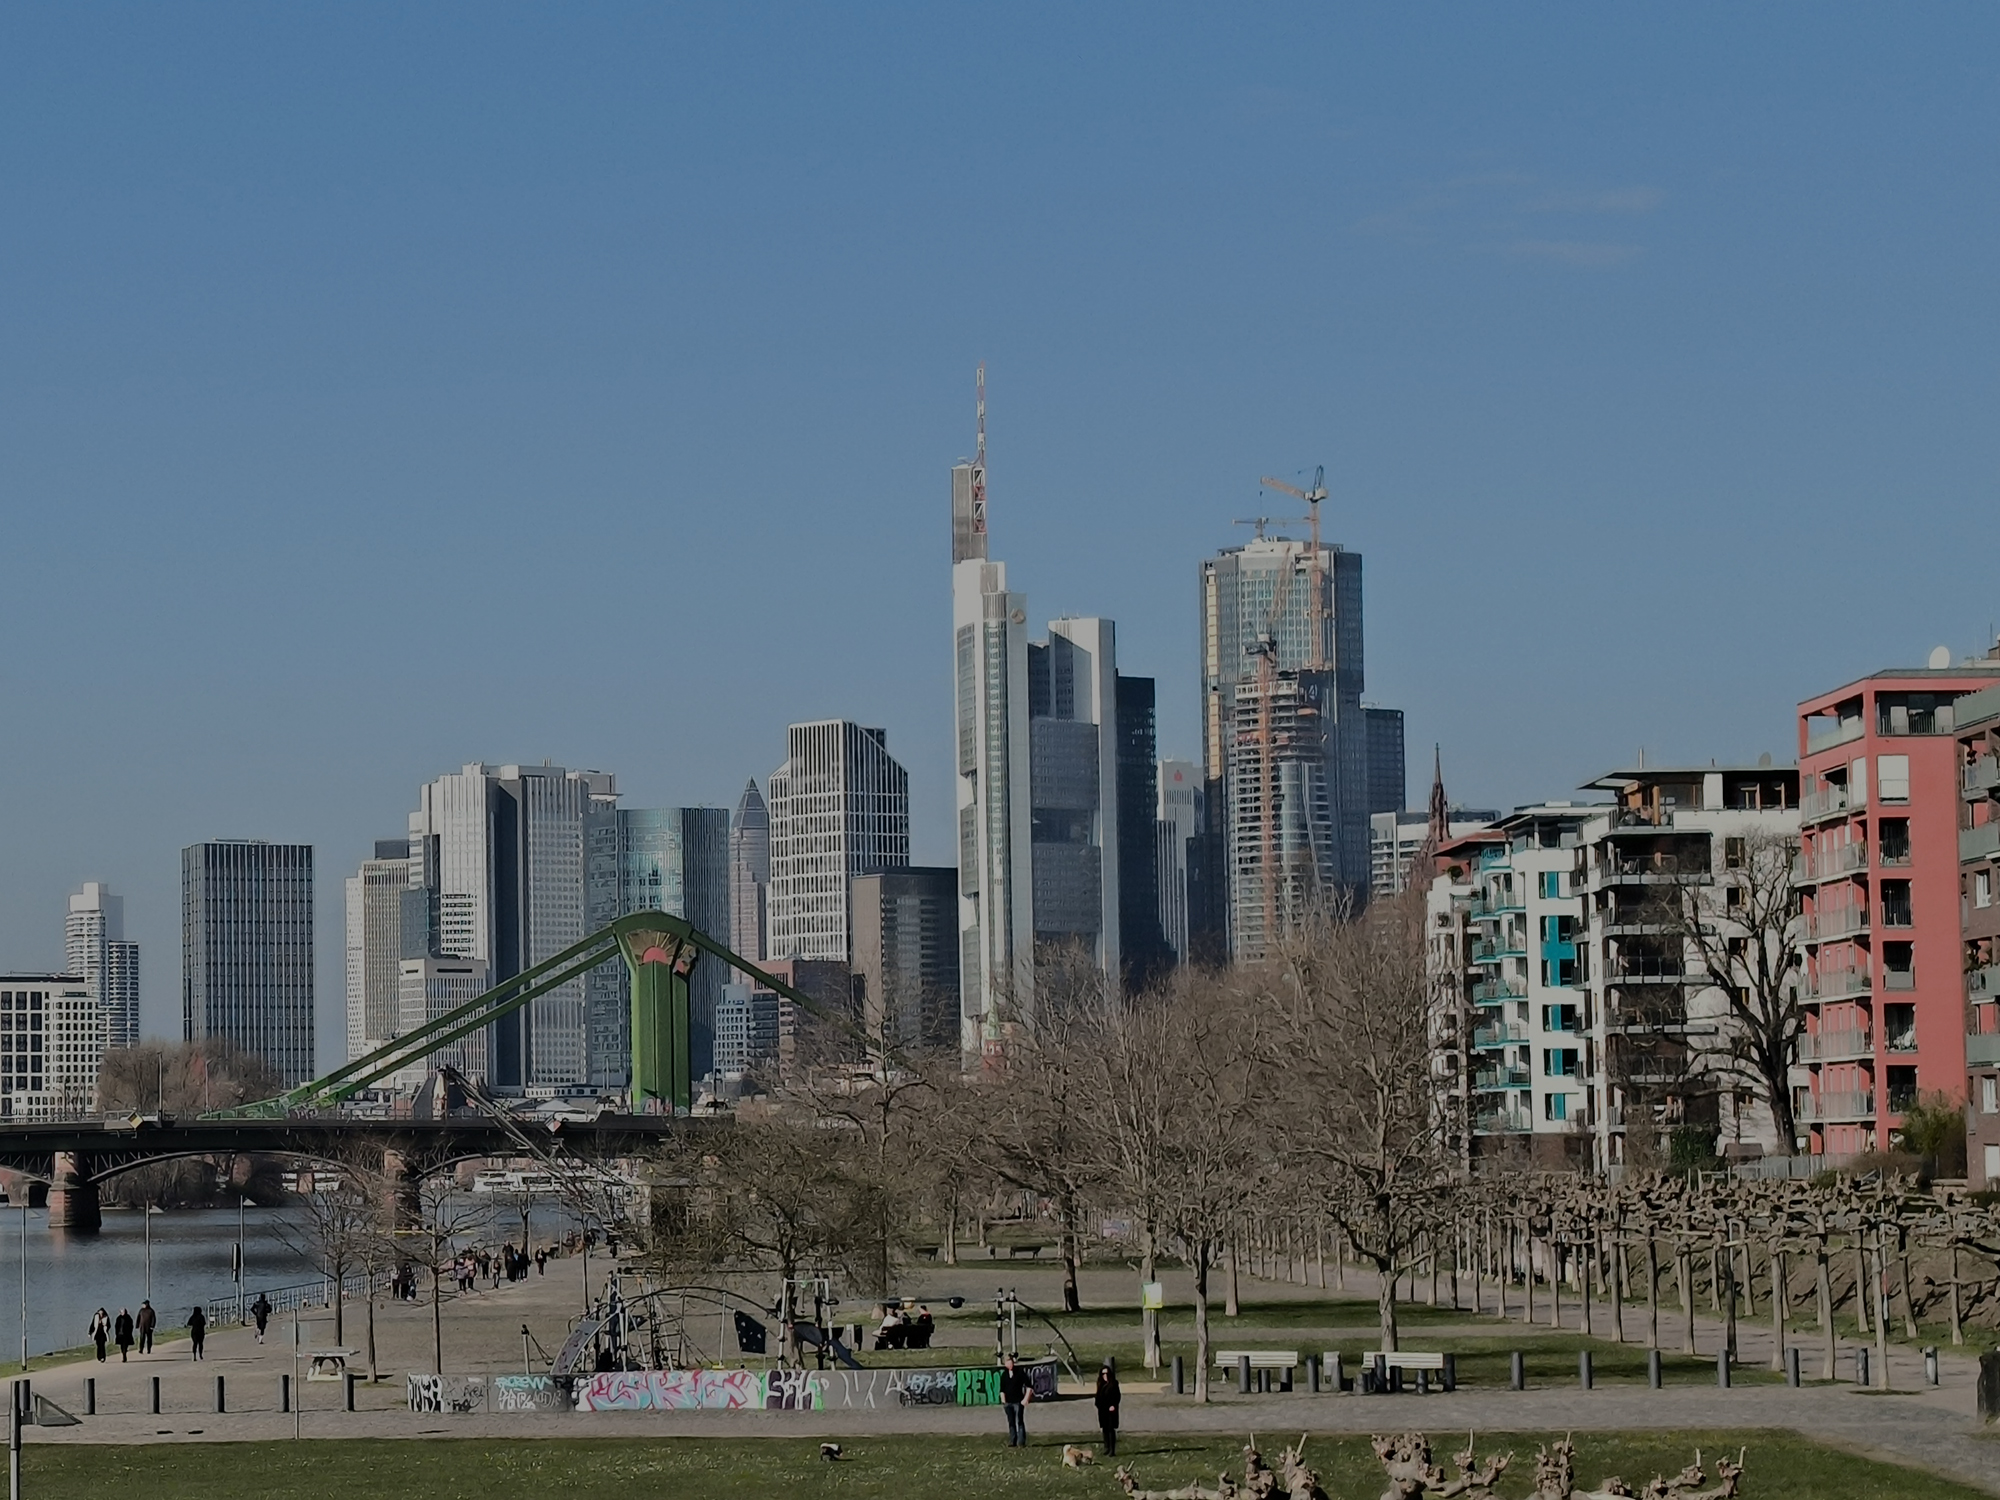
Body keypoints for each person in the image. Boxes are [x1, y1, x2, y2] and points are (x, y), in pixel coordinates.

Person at [999, 1354, 1032, 1448]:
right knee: (1011, 1422)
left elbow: (1029, 1386)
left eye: (1011, 1361)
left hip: (1018, 1402)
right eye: (1007, 1362)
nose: (1010, 1363)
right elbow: (1002, 1389)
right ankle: (1012, 1440)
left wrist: (1026, 1399)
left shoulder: (1020, 1373)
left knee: (1019, 1421)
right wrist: (1004, 1402)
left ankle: (1021, 1441)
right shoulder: (1004, 1375)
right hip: (1008, 1402)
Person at [1094, 1359, 1121, 1458]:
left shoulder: (1114, 1384)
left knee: (1111, 1429)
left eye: (1106, 1374)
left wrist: (1113, 1405)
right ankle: (1106, 1447)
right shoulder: (1100, 1384)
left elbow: (1117, 1396)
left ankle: (1112, 1450)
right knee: (1104, 1429)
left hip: (1111, 1410)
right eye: (1103, 1374)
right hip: (1102, 1410)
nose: (1105, 1376)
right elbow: (1098, 1396)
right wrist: (1098, 1404)